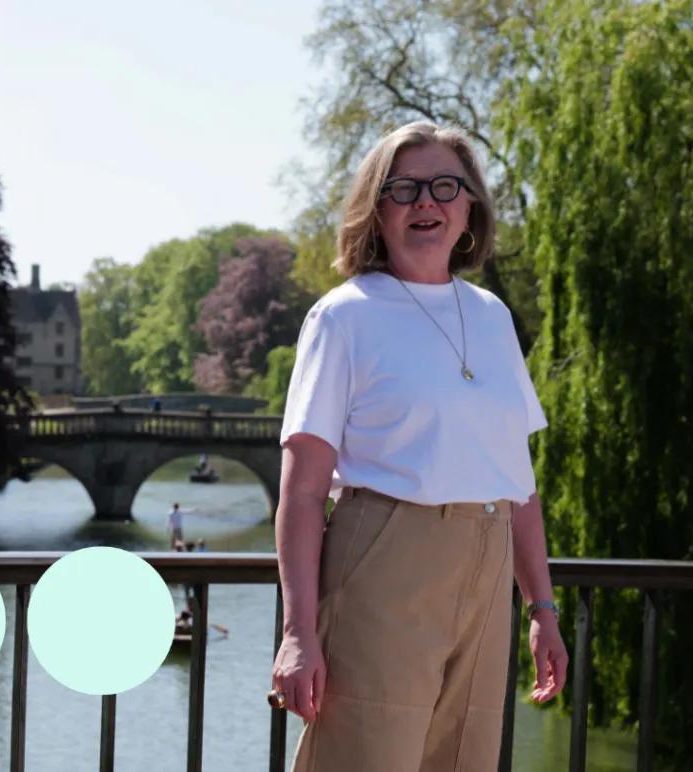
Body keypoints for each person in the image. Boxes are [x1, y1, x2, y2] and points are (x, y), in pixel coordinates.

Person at [270, 120, 569, 772]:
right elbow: (301, 492)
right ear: (375, 211)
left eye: (443, 186)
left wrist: (541, 610)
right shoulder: (344, 315)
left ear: (470, 209)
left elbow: (516, 483)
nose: (425, 202)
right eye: (402, 189)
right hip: (385, 559)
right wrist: (297, 635)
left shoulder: (490, 316)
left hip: (486, 571)